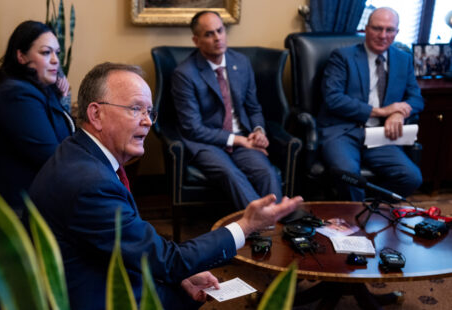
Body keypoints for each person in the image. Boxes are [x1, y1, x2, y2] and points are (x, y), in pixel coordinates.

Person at [28, 62, 303, 310]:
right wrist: (246, 225)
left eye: (150, 111)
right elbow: (166, 261)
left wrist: (177, 273)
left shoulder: (78, 152)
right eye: (135, 109)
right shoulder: (91, 183)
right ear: (96, 114)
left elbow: (133, 246)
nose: (148, 121)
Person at [171, 11, 282, 210]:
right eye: (209, 34)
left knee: (266, 172)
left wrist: (258, 131)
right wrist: (239, 140)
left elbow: (253, 107)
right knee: (230, 173)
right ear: (196, 40)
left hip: (243, 138)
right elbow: (192, 128)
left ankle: (275, 225)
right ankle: (260, 227)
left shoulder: (241, 62)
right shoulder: (184, 74)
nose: (217, 38)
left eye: (220, 30)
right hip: (204, 142)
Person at [318, 7, 423, 201]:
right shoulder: (342, 57)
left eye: (390, 30)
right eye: (377, 28)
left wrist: (398, 114)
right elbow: (333, 98)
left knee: (411, 177)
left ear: (397, 32)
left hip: (381, 136)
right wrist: (383, 111)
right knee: (347, 174)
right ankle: (356, 223)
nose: (383, 35)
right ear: (366, 29)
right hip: (343, 132)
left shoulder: (404, 60)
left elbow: (416, 98)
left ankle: (368, 210)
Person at [0, 20, 75, 216]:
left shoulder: (39, 90)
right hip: (21, 209)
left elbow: (65, 137)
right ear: (21, 56)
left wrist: (61, 98)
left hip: (42, 194)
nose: (56, 60)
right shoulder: (16, 96)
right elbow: (53, 157)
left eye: (57, 52)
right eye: (46, 53)